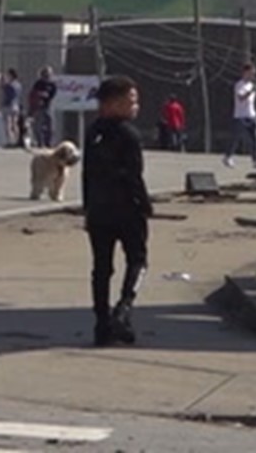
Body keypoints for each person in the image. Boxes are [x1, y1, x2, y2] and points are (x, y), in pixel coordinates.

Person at [84, 75, 153, 347]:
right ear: (112, 104)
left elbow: (87, 174)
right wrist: (145, 205)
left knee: (101, 267)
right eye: (131, 101)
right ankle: (123, 309)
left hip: (99, 210)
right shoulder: (129, 135)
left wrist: (88, 208)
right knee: (138, 260)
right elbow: (134, 176)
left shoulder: (92, 133)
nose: (136, 106)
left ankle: (102, 323)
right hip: (127, 209)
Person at [225, 62, 256, 168]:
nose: (253, 76)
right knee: (236, 138)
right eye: (251, 73)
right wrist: (252, 91)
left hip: (251, 115)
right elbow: (241, 98)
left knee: (255, 138)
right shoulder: (239, 85)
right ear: (245, 73)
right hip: (240, 116)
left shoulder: (251, 85)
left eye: (254, 74)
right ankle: (228, 157)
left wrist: (254, 89)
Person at [29, 66, 58, 148]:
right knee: (38, 125)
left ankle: (49, 142)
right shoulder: (38, 83)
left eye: (49, 73)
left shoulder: (52, 84)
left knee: (50, 125)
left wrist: (46, 96)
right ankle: (40, 142)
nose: (47, 75)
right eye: (46, 73)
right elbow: (33, 93)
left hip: (48, 106)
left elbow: (53, 94)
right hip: (39, 107)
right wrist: (39, 95)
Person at [0, 68, 26, 148]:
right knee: (15, 124)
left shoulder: (9, 85)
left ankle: (10, 141)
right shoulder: (18, 85)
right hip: (16, 105)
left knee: (8, 124)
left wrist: (2, 83)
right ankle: (17, 139)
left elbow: (6, 94)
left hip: (8, 106)